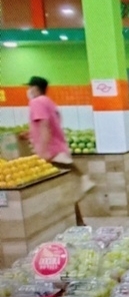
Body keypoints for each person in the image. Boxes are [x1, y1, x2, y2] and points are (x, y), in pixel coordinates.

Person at [24, 76, 87, 225]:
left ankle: (70, 224)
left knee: (59, 190)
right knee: (66, 188)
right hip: (60, 150)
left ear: (35, 88)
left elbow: (45, 126)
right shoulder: (49, 102)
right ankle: (79, 223)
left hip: (51, 153)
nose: (28, 90)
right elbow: (49, 125)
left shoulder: (36, 102)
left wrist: (43, 153)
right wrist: (29, 134)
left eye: (30, 87)